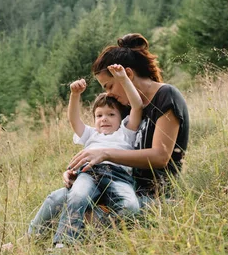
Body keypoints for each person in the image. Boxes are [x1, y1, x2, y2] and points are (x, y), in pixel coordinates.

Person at [28, 33, 189, 242]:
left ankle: (70, 242)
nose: (109, 95)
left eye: (109, 86)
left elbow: (161, 156)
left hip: (150, 197)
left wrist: (104, 154)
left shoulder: (166, 96)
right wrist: (82, 171)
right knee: (58, 197)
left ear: (127, 75)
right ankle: (28, 242)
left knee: (91, 215)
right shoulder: (129, 108)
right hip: (119, 186)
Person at [29, 63, 143, 245]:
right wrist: (75, 96)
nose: (104, 118)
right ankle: (62, 244)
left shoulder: (126, 132)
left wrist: (123, 79)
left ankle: (94, 235)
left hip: (118, 177)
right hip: (90, 173)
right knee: (77, 196)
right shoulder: (91, 134)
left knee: (131, 206)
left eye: (111, 114)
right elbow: (74, 120)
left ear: (121, 118)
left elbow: (136, 105)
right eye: (99, 116)